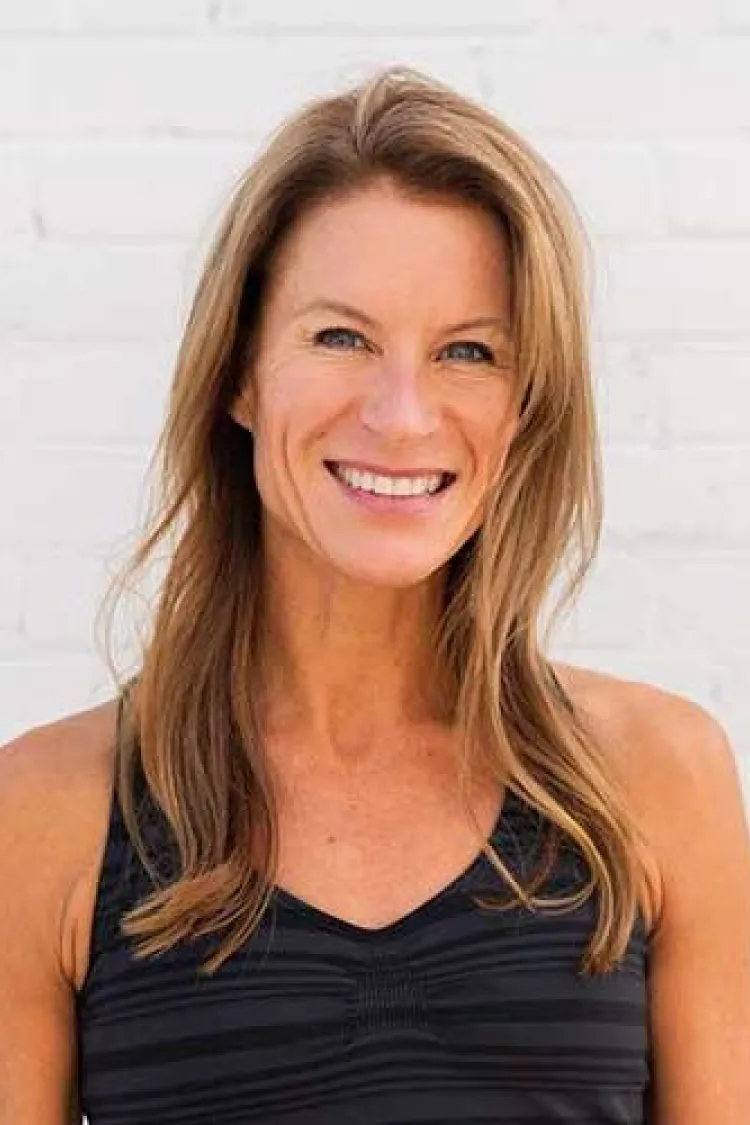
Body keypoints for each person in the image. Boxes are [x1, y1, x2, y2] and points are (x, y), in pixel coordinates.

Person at [1, 65, 749, 1125]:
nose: (403, 417)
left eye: (468, 352)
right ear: (241, 373)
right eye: (340, 336)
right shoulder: (41, 817)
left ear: (525, 407)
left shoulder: (657, 780)